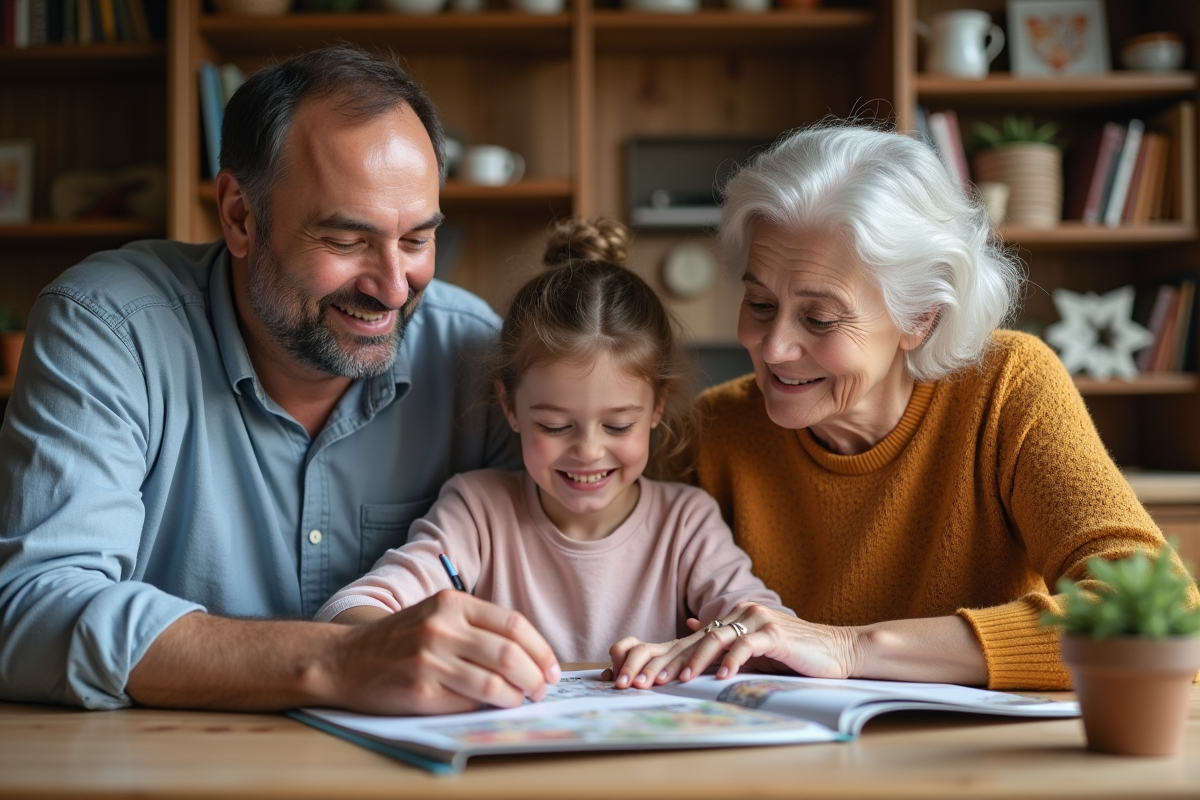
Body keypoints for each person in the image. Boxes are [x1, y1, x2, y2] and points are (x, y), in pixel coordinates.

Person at [0, 45, 563, 714]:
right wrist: (339, 660)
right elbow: (32, 611)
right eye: (347, 240)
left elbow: (576, 565)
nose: (391, 288)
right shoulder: (109, 328)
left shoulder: (475, 356)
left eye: (416, 239)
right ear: (240, 214)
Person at [607, 122, 1197, 692]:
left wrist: (849, 647)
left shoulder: (1006, 387)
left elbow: (1165, 619)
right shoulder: (715, 431)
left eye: (819, 318)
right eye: (760, 304)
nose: (774, 346)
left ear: (920, 318)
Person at [315, 218, 788, 662]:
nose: (588, 451)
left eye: (618, 426)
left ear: (657, 407)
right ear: (510, 407)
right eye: (556, 426)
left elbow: (768, 626)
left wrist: (723, 640)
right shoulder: (477, 511)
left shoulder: (687, 524)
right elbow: (352, 609)